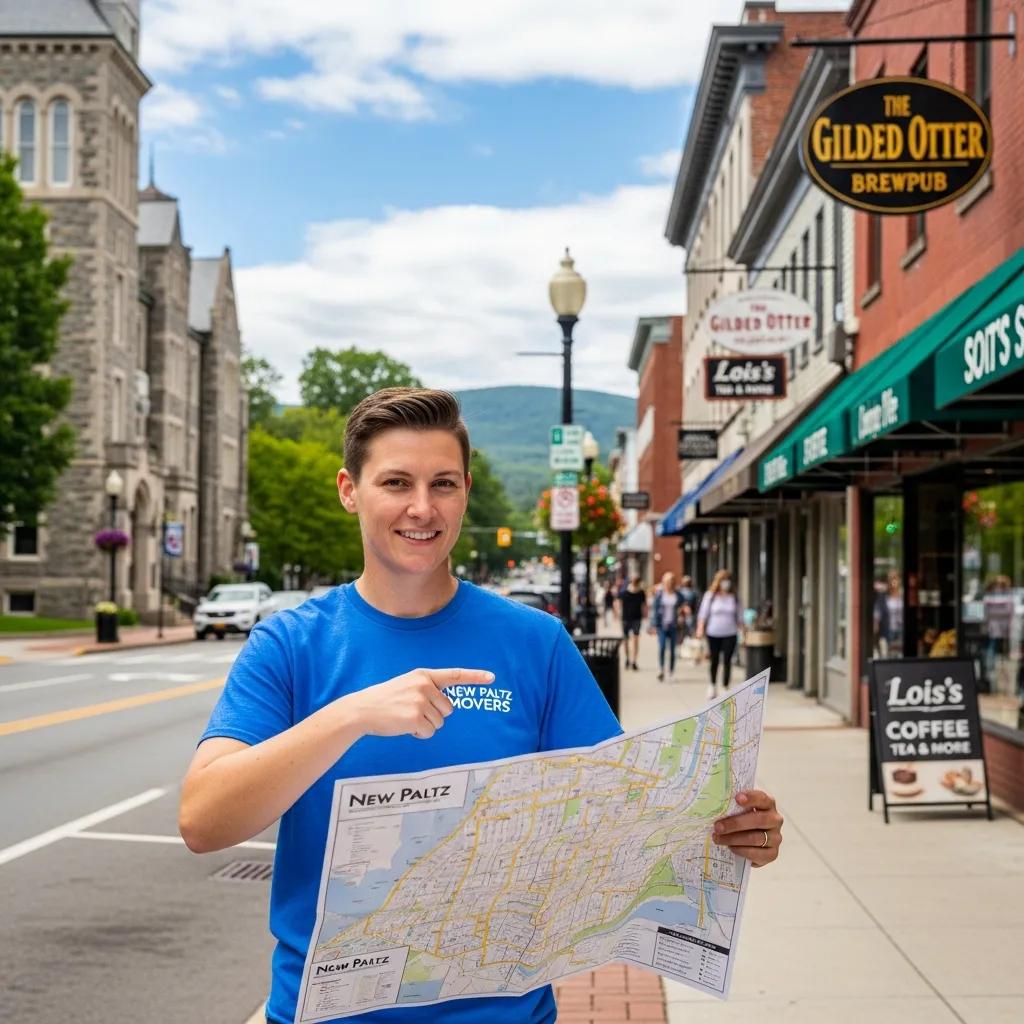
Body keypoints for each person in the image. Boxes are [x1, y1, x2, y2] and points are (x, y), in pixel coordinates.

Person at [178, 388, 783, 1024]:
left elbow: (621, 812)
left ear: (465, 490)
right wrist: (351, 715)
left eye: (442, 483)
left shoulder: (534, 641)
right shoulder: (291, 644)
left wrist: (730, 829)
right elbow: (203, 821)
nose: (421, 506)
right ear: (349, 490)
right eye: (395, 482)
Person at [696, 569, 745, 700]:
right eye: (723, 581)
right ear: (718, 581)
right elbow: (703, 614)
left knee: (728, 660)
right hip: (713, 633)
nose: (726, 584)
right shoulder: (710, 596)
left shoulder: (734, 597)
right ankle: (712, 685)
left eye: (728, 581)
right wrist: (700, 628)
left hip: (730, 632)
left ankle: (725, 686)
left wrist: (743, 632)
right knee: (714, 660)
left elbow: (740, 616)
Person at [649, 571, 685, 682]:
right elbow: (654, 611)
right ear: (664, 582)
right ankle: (661, 669)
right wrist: (653, 625)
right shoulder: (659, 595)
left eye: (671, 581)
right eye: (667, 581)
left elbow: (683, 606)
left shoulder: (678, 595)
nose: (669, 583)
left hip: (674, 626)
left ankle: (671, 672)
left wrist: (682, 613)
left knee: (673, 650)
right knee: (662, 647)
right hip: (662, 626)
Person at [618, 575, 647, 670]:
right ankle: (627, 658)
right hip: (626, 618)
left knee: (635, 639)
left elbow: (644, 605)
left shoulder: (641, 593)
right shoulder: (624, 592)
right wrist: (618, 613)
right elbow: (618, 602)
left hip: (636, 618)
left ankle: (634, 661)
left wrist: (645, 614)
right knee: (626, 640)